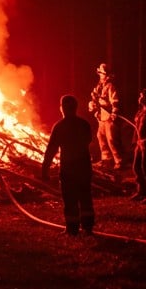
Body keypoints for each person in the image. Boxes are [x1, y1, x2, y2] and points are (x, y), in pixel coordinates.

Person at [41, 94, 95, 235]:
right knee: (85, 197)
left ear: (62, 108)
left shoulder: (60, 126)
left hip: (69, 168)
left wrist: (45, 168)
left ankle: (72, 228)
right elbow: (89, 141)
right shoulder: (84, 124)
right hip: (84, 166)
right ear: (75, 108)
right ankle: (88, 227)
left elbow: (51, 149)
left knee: (70, 199)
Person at [87, 63, 122, 169]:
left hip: (109, 117)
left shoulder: (110, 86)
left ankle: (118, 161)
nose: (100, 75)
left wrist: (114, 113)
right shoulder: (99, 86)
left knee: (111, 138)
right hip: (101, 117)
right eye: (100, 73)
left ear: (106, 75)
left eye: (102, 73)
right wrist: (92, 105)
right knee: (100, 136)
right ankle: (106, 159)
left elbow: (115, 101)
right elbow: (94, 98)